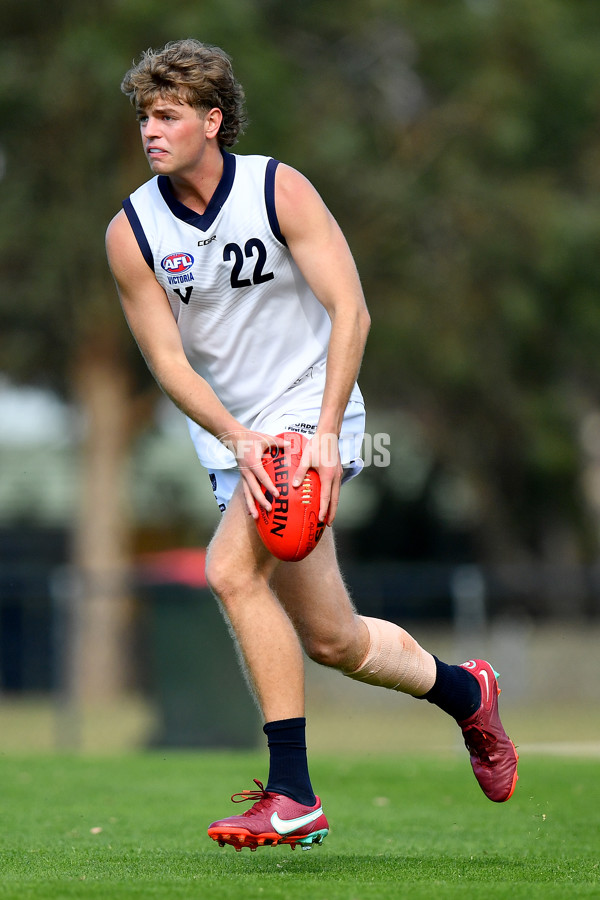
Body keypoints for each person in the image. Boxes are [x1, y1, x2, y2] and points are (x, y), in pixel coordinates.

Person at [106, 38, 518, 852]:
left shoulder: (276, 188)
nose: (151, 130)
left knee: (228, 571)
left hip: (310, 412)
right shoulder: (132, 232)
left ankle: (293, 794)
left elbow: (351, 312)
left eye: (169, 115)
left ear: (213, 121)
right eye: (145, 117)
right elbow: (166, 361)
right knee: (333, 639)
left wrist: (324, 436)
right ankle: (468, 694)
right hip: (236, 439)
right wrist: (236, 437)